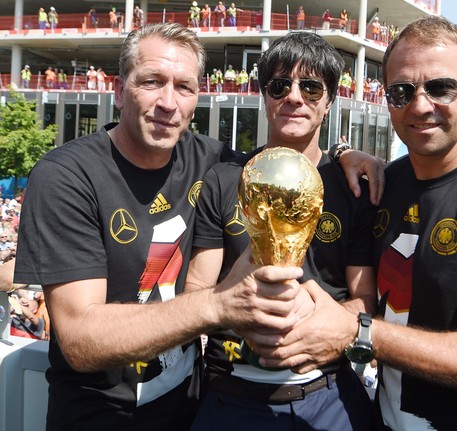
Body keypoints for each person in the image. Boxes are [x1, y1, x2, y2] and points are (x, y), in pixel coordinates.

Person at [14, 22, 383, 431]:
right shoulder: (67, 175)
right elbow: (81, 340)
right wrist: (220, 305)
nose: (168, 103)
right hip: (102, 414)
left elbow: (286, 162)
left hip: (187, 404)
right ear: (118, 89)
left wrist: (345, 153)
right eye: (152, 82)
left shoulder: (212, 159)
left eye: (184, 87)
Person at [246, 15, 457, 430]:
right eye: (402, 91)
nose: (420, 105)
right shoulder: (383, 185)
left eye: (440, 87)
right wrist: (343, 154)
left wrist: (359, 332)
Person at [188, 31, 376, 431]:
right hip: (231, 395)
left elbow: (364, 299)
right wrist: (238, 309)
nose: (294, 97)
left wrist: (315, 327)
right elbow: (195, 293)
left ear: (329, 102)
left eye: (310, 88)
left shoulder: (352, 188)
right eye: (280, 86)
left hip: (327, 395)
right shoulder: (224, 181)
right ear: (264, 96)